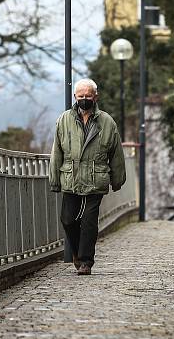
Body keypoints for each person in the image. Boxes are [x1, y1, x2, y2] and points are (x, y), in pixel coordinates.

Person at [49, 78, 126, 275]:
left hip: (96, 178)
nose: (84, 99)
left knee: (89, 221)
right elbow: (56, 152)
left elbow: (116, 154)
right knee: (67, 219)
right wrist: (54, 179)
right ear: (75, 97)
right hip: (71, 177)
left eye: (88, 96)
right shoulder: (64, 120)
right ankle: (76, 252)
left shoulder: (107, 122)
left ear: (95, 97)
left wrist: (117, 180)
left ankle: (85, 262)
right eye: (81, 96)